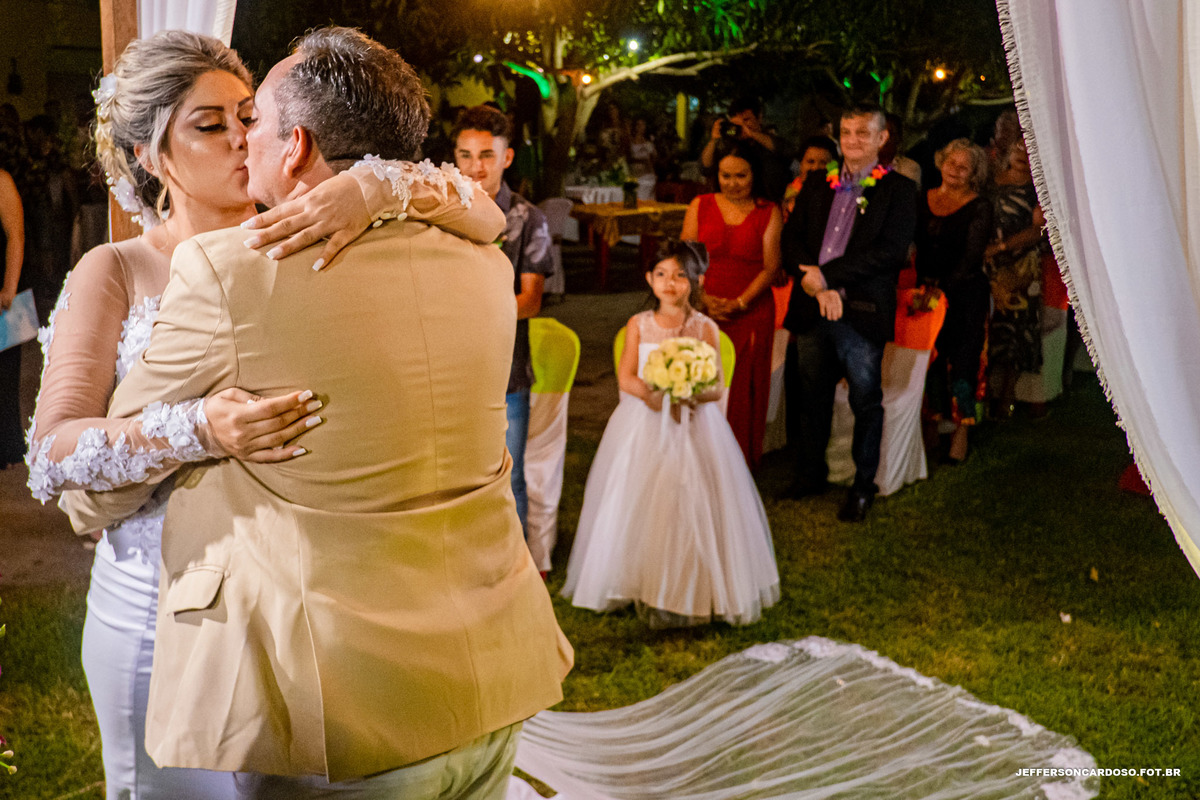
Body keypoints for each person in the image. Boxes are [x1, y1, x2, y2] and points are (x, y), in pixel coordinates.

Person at [58, 27, 571, 797]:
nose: (239, 139)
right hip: (480, 672)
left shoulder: (233, 274)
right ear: (147, 153)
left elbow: (85, 496)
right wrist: (200, 427)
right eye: (213, 125)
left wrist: (372, 187)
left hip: (332, 693)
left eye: (249, 118)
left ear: (293, 145)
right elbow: (67, 461)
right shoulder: (477, 254)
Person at [562, 239, 779, 628]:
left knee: (691, 499)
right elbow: (627, 376)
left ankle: (692, 588)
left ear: (697, 280)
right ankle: (635, 579)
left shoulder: (704, 328)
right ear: (649, 278)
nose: (671, 283)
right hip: (643, 423)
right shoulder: (639, 325)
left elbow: (716, 385)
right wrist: (651, 394)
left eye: (680, 276)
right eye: (662, 275)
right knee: (638, 497)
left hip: (695, 425)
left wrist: (689, 391)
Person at [780, 103, 918, 522]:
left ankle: (862, 485)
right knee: (810, 395)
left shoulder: (899, 190)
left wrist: (827, 277)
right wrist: (812, 282)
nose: (852, 140)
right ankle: (810, 473)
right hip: (812, 305)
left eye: (862, 133)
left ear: (881, 139)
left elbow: (891, 253)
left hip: (860, 309)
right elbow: (791, 239)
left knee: (864, 399)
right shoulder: (817, 183)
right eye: (846, 132)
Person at [452, 104, 554, 538]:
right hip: (447, 372)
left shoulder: (528, 218)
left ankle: (516, 581)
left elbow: (530, 301)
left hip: (507, 373)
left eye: (486, 155)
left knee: (509, 476)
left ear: (507, 157)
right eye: (465, 155)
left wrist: (464, 311)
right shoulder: (438, 212)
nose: (475, 167)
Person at [682, 139, 782, 470]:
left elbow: (771, 267)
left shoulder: (769, 210)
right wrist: (702, 299)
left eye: (740, 176)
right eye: (725, 176)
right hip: (703, 304)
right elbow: (686, 259)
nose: (732, 183)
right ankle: (698, 457)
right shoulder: (701, 204)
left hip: (751, 306)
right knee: (702, 379)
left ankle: (737, 462)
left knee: (742, 383)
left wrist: (740, 303)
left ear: (755, 175)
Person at [914, 139, 992, 463]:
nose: (955, 171)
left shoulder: (979, 206)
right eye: (951, 163)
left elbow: (971, 257)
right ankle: (932, 425)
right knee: (930, 359)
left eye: (964, 167)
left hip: (965, 295)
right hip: (925, 293)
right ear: (940, 162)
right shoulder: (923, 198)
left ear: (974, 174)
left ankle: (961, 431)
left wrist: (940, 290)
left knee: (964, 364)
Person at [985, 137, 1046, 418]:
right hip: (986, 263)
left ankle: (1007, 396)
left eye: (1029, 147)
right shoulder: (990, 180)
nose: (1022, 152)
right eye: (1017, 146)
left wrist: (1002, 247)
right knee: (988, 327)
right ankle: (983, 393)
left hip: (1020, 266)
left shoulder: (1039, 189)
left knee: (1016, 330)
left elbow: (1038, 230)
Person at [700, 96, 792, 202]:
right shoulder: (727, 144)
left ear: (759, 118)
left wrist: (752, 134)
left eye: (746, 120)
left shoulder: (768, 141)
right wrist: (714, 140)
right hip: (732, 204)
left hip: (767, 202)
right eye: (737, 122)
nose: (741, 126)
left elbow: (787, 151)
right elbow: (705, 168)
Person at [0, 166, 23, 468]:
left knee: (2, 376)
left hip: (0, 295)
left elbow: (15, 235)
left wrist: (9, 287)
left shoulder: (2, 180)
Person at [783, 135, 838, 219]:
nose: (815, 168)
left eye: (823, 163)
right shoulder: (787, 194)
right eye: (810, 162)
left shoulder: (838, 198)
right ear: (800, 164)